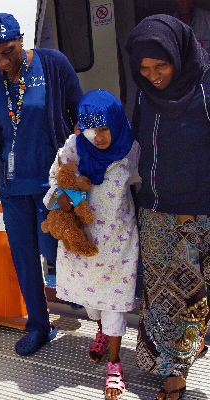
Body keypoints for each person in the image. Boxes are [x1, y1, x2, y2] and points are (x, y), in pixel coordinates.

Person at [0, 12, 83, 356]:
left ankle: (99, 315)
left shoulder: (52, 65)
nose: (3, 62)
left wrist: (78, 172)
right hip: (12, 188)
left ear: (22, 39)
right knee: (24, 260)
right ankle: (39, 326)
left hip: (52, 187)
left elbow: (79, 117)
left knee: (57, 250)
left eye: (8, 51)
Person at [126, 15, 210, 400]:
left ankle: (198, 344)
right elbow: (136, 138)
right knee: (164, 297)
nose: (153, 74)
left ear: (180, 55)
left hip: (203, 209)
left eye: (161, 66)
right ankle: (174, 371)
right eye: (144, 68)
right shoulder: (145, 91)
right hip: (157, 208)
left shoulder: (206, 85)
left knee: (200, 291)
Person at [44, 90, 140, 400]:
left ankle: (115, 364)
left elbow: (148, 183)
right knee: (90, 300)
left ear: (115, 120)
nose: (97, 137)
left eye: (104, 128)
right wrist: (70, 198)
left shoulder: (132, 150)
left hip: (118, 242)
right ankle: (99, 331)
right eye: (90, 129)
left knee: (114, 302)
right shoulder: (74, 147)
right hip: (82, 240)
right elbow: (57, 179)